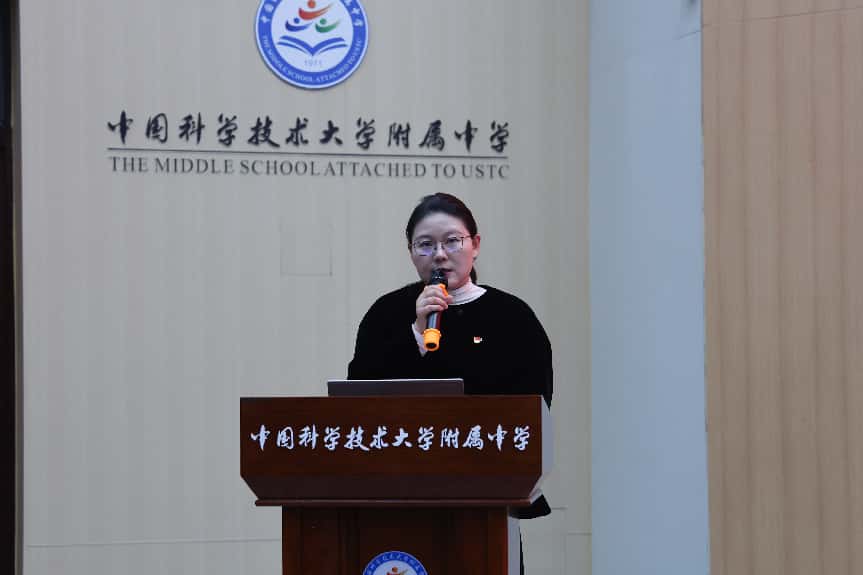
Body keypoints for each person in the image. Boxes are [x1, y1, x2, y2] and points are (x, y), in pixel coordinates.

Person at [347, 193, 553, 573]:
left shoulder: (512, 317)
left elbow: (532, 407)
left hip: (485, 495)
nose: (439, 255)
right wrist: (415, 334)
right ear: (411, 252)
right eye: (425, 244)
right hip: (398, 494)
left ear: (475, 244)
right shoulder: (386, 314)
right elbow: (358, 398)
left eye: (452, 241)